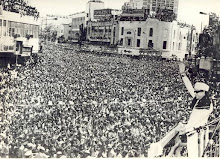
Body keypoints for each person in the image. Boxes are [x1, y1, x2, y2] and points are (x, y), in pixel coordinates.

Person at [179, 63, 213, 157]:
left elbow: (194, 121)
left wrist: (183, 128)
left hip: (197, 135)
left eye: (198, 92)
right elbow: (190, 88)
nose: (195, 94)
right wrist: (183, 75)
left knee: (196, 155)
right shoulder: (201, 100)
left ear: (204, 92)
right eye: (195, 92)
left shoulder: (205, 105)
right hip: (193, 134)